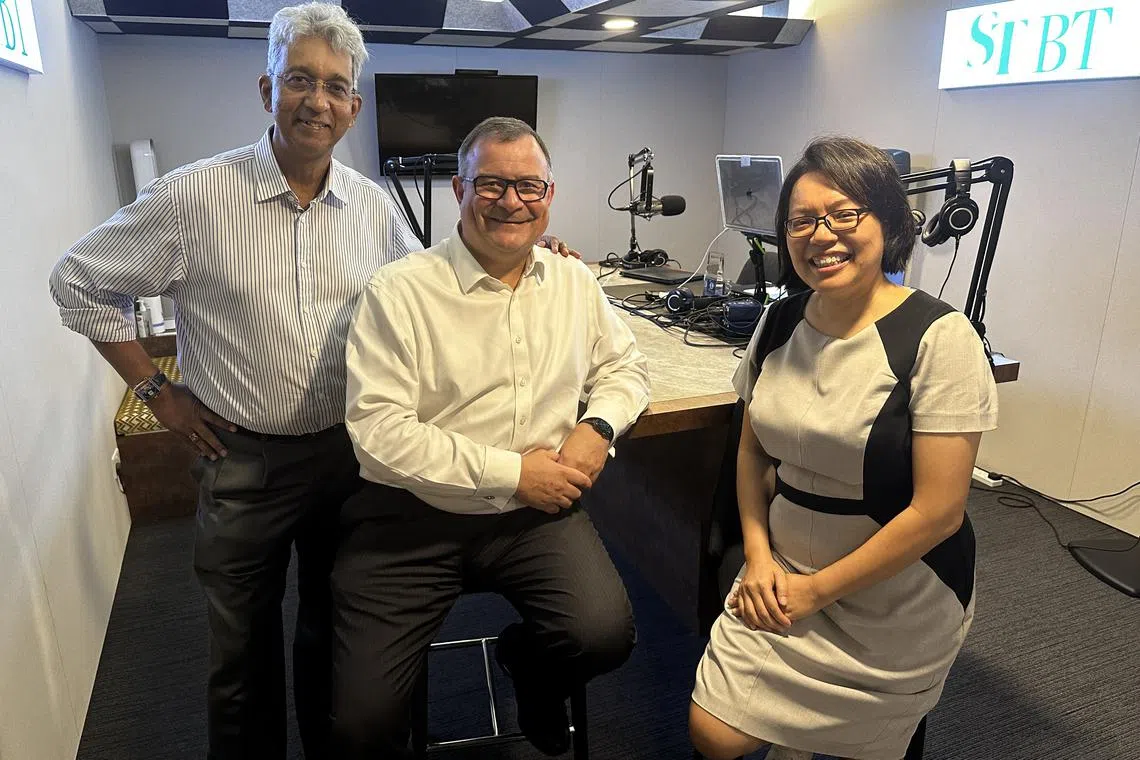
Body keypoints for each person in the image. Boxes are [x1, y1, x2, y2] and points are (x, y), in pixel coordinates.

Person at [48, 5, 574, 758]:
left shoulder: (371, 205)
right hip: (240, 459)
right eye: (300, 80)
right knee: (241, 652)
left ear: (354, 106)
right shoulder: (192, 198)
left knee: (333, 633)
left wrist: (535, 254)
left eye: (335, 87)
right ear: (268, 89)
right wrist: (155, 392)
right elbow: (77, 283)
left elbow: (434, 286)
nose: (317, 101)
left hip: (348, 456)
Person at [330, 116, 650, 758]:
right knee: (362, 724)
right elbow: (378, 432)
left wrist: (598, 424)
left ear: (550, 195)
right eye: (492, 184)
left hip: (531, 518)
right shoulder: (398, 292)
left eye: (529, 186)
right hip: (409, 517)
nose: (512, 201)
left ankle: (527, 666)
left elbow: (625, 367)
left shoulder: (574, 281)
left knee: (603, 636)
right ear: (458, 189)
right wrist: (513, 473)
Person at [689, 136, 999, 760]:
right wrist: (757, 555)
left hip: (896, 593)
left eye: (844, 214)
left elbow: (939, 513)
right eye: (801, 220)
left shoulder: (940, 336)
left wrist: (816, 591)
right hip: (780, 571)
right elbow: (751, 453)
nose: (820, 233)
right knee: (714, 736)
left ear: (888, 222)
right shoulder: (780, 322)